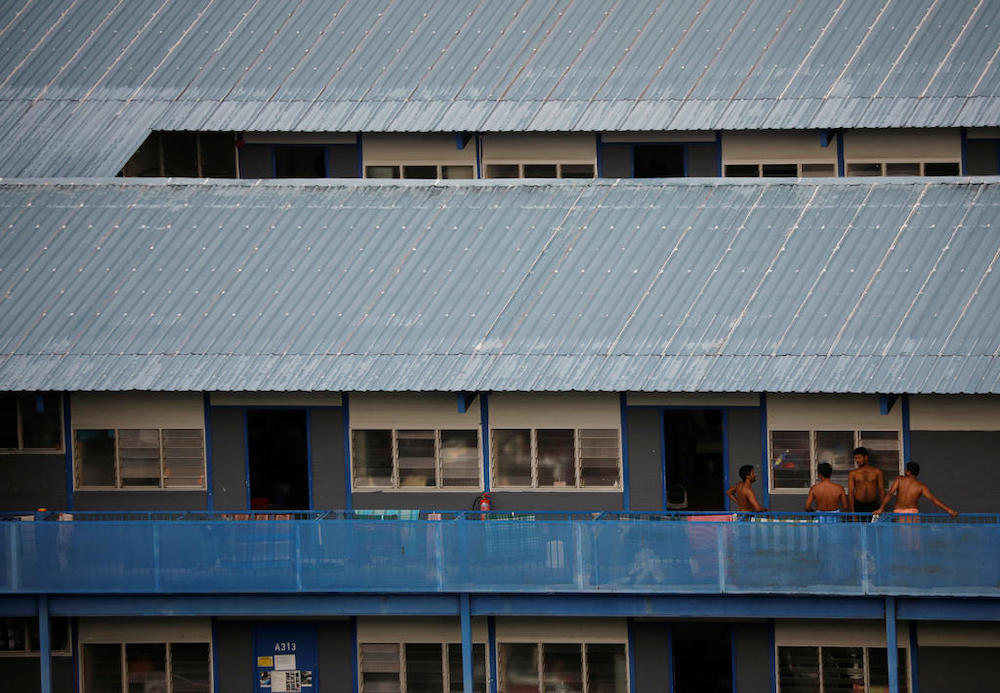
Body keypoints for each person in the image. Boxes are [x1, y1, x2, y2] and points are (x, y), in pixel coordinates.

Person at [873, 462, 958, 518]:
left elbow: (890, 494)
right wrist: (949, 510)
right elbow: (933, 499)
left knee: (900, 540)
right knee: (913, 540)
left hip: (898, 512)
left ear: (908, 472)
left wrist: (881, 508)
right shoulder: (921, 486)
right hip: (913, 513)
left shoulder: (899, 480)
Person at [847, 446, 884, 514]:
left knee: (875, 524)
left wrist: (882, 508)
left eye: (859, 458)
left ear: (866, 457)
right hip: (858, 505)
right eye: (856, 458)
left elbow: (881, 490)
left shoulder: (877, 472)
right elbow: (851, 492)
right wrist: (852, 512)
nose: (857, 461)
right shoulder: (853, 473)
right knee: (858, 524)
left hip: (873, 505)